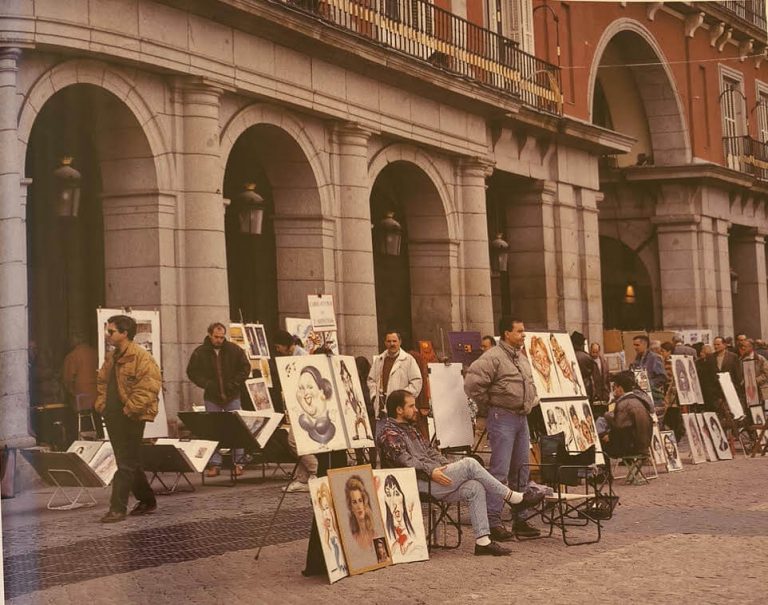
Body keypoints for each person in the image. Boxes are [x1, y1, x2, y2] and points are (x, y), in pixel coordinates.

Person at [377, 390, 544, 556]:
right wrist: (432, 470)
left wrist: (446, 466)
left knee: (475, 486)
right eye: (411, 406)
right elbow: (406, 462)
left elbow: (431, 452)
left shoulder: (411, 429)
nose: (415, 409)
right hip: (414, 483)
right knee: (470, 463)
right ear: (399, 410)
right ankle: (513, 498)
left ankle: (483, 542)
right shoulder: (389, 433)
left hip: (432, 477)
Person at [464, 316, 541, 540]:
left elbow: (530, 383)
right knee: (499, 471)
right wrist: (489, 402)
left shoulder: (521, 358)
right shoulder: (493, 357)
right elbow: (471, 384)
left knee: (521, 469)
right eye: (519, 331)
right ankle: (494, 520)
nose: (523, 335)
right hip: (502, 417)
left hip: (521, 418)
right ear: (507, 334)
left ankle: (521, 518)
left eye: (523, 331)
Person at [94, 315, 161, 523]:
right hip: (113, 415)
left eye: (111, 331)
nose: (108, 334)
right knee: (128, 461)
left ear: (124, 333)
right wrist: (102, 405)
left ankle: (117, 508)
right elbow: (102, 382)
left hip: (131, 416)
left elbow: (149, 387)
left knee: (125, 464)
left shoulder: (141, 357)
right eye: (108, 330)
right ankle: (147, 500)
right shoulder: (111, 357)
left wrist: (130, 409)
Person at [186, 322, 251, 477]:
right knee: (212, 430)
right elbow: (192, 372)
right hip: (212, 396)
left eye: (222, 337)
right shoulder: (200, 352)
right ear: (209, 335)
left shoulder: (234, 350)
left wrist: (234, 383)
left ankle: (238, 462)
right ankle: (215, 464)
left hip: (232, 395)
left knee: (237, 428)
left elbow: (245, 368)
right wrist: (207, 384)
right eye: (216, 337)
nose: (219, 340)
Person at [275, 338, 318, 494]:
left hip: (305, 408)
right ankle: (302, 478)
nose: (277, 349)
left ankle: (315, 470)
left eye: (279, 345)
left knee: (295, 442)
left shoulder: (301, 358)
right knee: (299, 442)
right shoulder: (291, 358)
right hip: (298, 406)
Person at [597, 371, 653, 459]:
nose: (614, 390)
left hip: (632, 446)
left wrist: (609, 435)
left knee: (598, 444)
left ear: (620, 388)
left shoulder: (624, 403)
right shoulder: (638, 401)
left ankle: (604, 472)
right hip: (644, 444)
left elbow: (619, 426)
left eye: (614, 387)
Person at [367, 331, 422, 417]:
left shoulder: (408, 360)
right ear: (385, 343)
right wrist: (374, 396)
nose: (392, 344)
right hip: (381, 408)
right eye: (389, 341)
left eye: (394, 341)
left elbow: (416, 382)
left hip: (400, 409)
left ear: (400, 342)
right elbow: (371, 380)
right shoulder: (379, 360)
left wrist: (402, 398)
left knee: (397, 430)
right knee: (382, 430)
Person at [61, 334, 99, 441]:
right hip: (97, 396)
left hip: (81, 398)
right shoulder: (95, 352)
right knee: (97, 423)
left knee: (78, 424)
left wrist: (71, 392)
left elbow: (67, 378)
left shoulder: (73, 356)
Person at [382, 473, 418, 557]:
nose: (393, 503)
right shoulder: (389, 534)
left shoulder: (414, 537)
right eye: (388, 494)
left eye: (396, 493)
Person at [629, 335, 666, 408]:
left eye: (637, 345)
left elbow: (662, 377)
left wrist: (648, 384)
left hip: (653, 398)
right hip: (640, 396)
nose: (635, 348)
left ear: (645, 345)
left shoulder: (654, 358)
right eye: (634, 345)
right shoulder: (637, 359)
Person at [317, 482, 345, 574]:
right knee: (333, 548)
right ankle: (337, 565)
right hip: (330, 534)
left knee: (336, 547)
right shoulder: (325, 516)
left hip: (334, 533)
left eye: (327, 507)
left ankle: (340, 565)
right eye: (323, 509)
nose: (325, 512)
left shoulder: (332, 513)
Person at [345, 474, 376, 549]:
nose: (359, 506)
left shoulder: (375, 535)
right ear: (351, 507)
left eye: (360, 501)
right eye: (354, 502)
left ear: (364, 502)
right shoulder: (352, 539)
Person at [571, 331, 596, 402]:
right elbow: (593, 374)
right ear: (581, 344)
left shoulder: (567, 354)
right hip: (585, 388)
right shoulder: (586, 357)